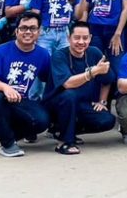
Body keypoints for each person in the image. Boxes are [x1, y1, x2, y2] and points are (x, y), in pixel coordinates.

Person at [0, 10, 53, 157]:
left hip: (18, 101)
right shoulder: (0, 51)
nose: (28, 32)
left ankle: (4, 131)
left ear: (39, 32)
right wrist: (5, 87)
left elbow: (49, 79)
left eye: (33, 28)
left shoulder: (43, 54)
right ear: (16, 31)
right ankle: (8, 145)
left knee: (42, 120)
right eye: (23, 28)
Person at [46, 22, 115, 153]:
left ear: (90, 38)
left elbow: (108, 79)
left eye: (85, 38)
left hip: (82, 104)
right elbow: (67, 83)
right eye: (77, 38)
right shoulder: (59, 56)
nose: (81, 42)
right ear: (69, 38)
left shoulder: (94, 53)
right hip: (57, 104)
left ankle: (64, 130)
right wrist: (92, 72)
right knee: (69, 95)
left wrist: (102, 101)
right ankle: (65, 142)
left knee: (107, 120)